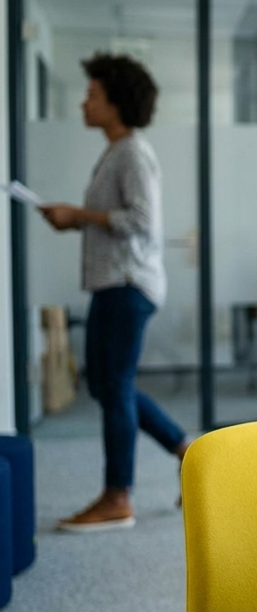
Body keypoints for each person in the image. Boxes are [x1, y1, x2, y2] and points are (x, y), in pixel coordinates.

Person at [39, 53, 190, 532]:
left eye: (93, 95)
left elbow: (144, 224)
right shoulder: (117, 151)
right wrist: (74, 221)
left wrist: (77, 216)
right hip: (114, 282)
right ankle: (184, 449)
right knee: (108, 385)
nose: (84, 102)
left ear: (116, 102)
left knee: (114, 385)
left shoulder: (132, 153)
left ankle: (117, 496)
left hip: (127, 284)